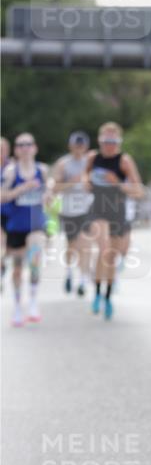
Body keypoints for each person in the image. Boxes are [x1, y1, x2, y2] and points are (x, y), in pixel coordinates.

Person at [83, 122, 143, 320]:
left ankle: (107, 296)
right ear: (99, 141)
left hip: (117, 210)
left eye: (113, 141)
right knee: (104, 248)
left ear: (119, 142)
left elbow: (138, 191)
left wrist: (116, 182)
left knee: (110, 257)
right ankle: (97, 293)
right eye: (105, 141)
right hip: (98, 209)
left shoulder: (124, 161)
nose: (109, 145)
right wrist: (86, 182)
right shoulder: (93, 158)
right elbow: (85, 178)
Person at [0, 133, 50, 326]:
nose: (25, 148)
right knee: (18, 269)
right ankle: (18, 306)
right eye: (21, 145)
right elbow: (2, 196)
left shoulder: (42, 170)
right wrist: (21, 189)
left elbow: (48, 190)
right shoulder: (11, 172)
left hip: (36, 223)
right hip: (16, 225)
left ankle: (34, 301)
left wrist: (48, 196)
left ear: (35, 148)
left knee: (36, 258)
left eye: (28, 144)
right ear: (16, 150)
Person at [50, 131, 94, 296]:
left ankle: (82, 280)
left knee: (85, 244)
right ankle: (69, 272)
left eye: (81, 146)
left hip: (86, 208)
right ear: (70, 146)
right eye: (76, 145)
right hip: (68, 210)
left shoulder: (90, 162)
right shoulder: (63, 164)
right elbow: (55, 187)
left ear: (86, 147)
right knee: (72, 247)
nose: (79, 149)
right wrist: (72, 182)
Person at [1, 136, 13, 290]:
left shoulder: (13, 168)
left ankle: (2, 267)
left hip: (11, 213)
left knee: (8, 249)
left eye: (2, 150)